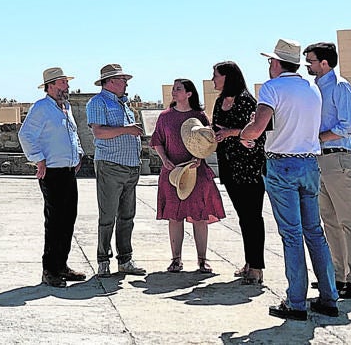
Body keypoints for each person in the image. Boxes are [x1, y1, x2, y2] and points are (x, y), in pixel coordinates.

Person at [241, 39, 339, 321]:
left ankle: (296, 301)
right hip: (309, 163)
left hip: (282, 164)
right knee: (314, 232)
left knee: (292, 234)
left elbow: (258, 127)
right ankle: (329, 296)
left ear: (276, 62)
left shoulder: (272, 88)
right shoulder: (312, 88)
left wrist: (245, 136)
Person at [304, 42, 351, 300]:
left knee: (347, 220)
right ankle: (336, 275)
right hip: (319, 159)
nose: (308, 65)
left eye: (311, 60)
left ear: (325, 63)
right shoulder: (315, 88)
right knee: (329, 221)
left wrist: (318, 138)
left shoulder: (339, 86)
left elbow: (347, 125)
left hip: (337, 158)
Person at [18, 66, 87, 288]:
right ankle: (49, 270)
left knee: (69, 218)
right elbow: (26, 134)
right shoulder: (41, 108)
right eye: (63, 83)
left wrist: (78, 155)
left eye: (66, 82)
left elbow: (73, 134)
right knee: (55, 221)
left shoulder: (65, 107)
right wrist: (38, 159)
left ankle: (62, 265)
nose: (67, 86)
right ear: (51, 85)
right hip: (52, 171)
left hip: (68, 170)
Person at [151, 79, 225, 273]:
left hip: (196, 172)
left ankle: (202, 260)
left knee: (200, 216)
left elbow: (208, 141)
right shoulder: (165, 116)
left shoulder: (199, 116)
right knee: (174, 217)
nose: (174, 92)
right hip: (172, 172)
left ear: (189, 93)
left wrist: (198, 158)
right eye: (173, 88)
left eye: (178, 89)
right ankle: (176, 259)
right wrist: (164, 159)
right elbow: (157, 140)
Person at [210, 61, 268, 285]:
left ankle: (256, 267)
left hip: (249, 167)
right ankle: (249, 261)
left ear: (228, 77)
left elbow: (257, 132)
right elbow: (217, 129)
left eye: (216, 75)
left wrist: (232, 133)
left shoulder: (246, 101)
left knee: (253, 216)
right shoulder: (219, 102)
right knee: (243, 217)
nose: (213, 79)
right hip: (229, 166)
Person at [86, 63, 146, 277]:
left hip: (131, 166)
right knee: (108, 215)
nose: (126, 83)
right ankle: (103, 260)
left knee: (127, 216)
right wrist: (127, 130)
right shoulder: (97, 102)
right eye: (122, 80)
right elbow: (99, 133)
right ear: (110, 82)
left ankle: (125, 259)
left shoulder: (124, 104)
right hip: (110, 165)